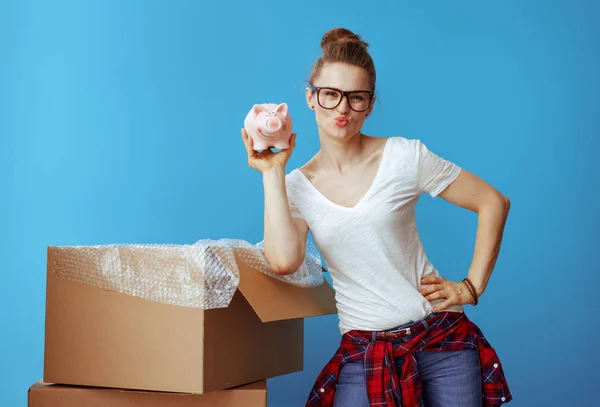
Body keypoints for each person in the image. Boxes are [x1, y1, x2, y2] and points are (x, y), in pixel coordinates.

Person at [241, 27, 512, 407]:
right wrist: (272, 174)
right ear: (311, 98)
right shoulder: (296, 187)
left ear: (369, 105)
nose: (343, 108)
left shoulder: (405, 156)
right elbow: (285, 261)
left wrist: (471, 287)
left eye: (356, 98)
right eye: (331, 95)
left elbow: (493, 202)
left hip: (441, 338)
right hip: (367, 346)